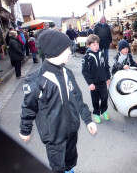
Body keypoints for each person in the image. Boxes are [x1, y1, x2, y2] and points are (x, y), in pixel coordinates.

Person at [19, 30, 97, 173]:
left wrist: (88, 120)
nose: (70, 51)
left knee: (70, 161)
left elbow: (78, 99)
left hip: (72, 130)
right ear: (56, 50)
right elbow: (28, 108)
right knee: (58, 166)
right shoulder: (37, 80)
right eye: (67, 49)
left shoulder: (67, 73)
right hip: (53, 136)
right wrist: (25, 130)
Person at [82, 34, 111, 124]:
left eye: (97, 44)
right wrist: (90, 83)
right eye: (94, 44)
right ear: (88, 45)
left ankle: (104, 110)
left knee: (104, 97)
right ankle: (96, 113)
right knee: (95, 99)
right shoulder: (87, 57)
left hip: (102, 81)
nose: (96, 46)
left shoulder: (102, 54)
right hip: (93, 83)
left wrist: (108, 78)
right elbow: (85, 71)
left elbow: (106, 67)